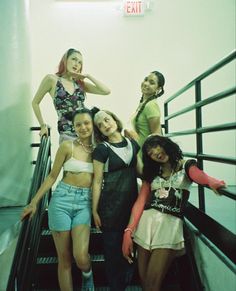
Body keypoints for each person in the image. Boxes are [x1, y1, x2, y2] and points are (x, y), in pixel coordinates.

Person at [122, 135, 226, 291]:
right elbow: (140, 202)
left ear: (165, 144)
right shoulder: (152, 172)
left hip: (169, 226)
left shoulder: (185, 165)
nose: (156, 153)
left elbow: (198, 175)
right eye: (150, 153)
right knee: (145, 284)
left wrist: (211, 181)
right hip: (146, 224)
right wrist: (128, 231)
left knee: (152, 285)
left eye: (157, 147)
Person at [21, 108, 95, 291]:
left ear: (93, 124)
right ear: (74, 127)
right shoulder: (67, 147)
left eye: (86, 123)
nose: (83, 127)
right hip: (61, 200)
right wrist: (34, 202)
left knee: (81, 255)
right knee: (64, 258)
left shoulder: (100, 150)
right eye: (78, 124)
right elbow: (52, 177)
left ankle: (88, 274)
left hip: (84, 203)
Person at [92, 108, 140, 291]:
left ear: (114, 118)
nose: (105, 124)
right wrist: (94, 210)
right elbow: (96, 182)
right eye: (100, 124)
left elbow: (142, 171)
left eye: (106, 119)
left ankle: (126, 284)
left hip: (131, 208)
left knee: (131, 253)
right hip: (110, 209)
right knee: (113, 256)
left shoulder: (132, 144)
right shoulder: (101, 150)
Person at [32, 48, 111, 143]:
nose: (76, 64)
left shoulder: (79, 83)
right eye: (74, 59)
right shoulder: (52, 80)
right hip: (67, 132)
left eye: (80, 62)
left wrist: (88, 76)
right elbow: (35, 103)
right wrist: (42, 125)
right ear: (65, 60)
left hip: (87, 131)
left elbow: (106, 91)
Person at [125, 71, 165, 157]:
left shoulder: (151, 106)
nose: (146, 84)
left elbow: (157, 137)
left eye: (152, 83)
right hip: (139, 153)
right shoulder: (144, 103)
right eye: (146, 79)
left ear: (158, 89)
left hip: (145, 156)